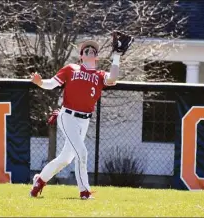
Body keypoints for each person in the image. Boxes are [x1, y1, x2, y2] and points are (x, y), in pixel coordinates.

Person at [30, 31, 134, 199]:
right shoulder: (71, 69)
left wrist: (116, 56)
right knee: (82, 153)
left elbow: (113, 77)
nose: (90, 50)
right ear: (81, 56)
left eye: (93, 49)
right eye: (86, 49)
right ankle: (84, 192)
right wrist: (40, 82)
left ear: (97, 57)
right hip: (67, 116)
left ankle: (39, 180)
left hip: (84, 120)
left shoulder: (100, 76)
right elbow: (51, 84)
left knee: (65, 159)